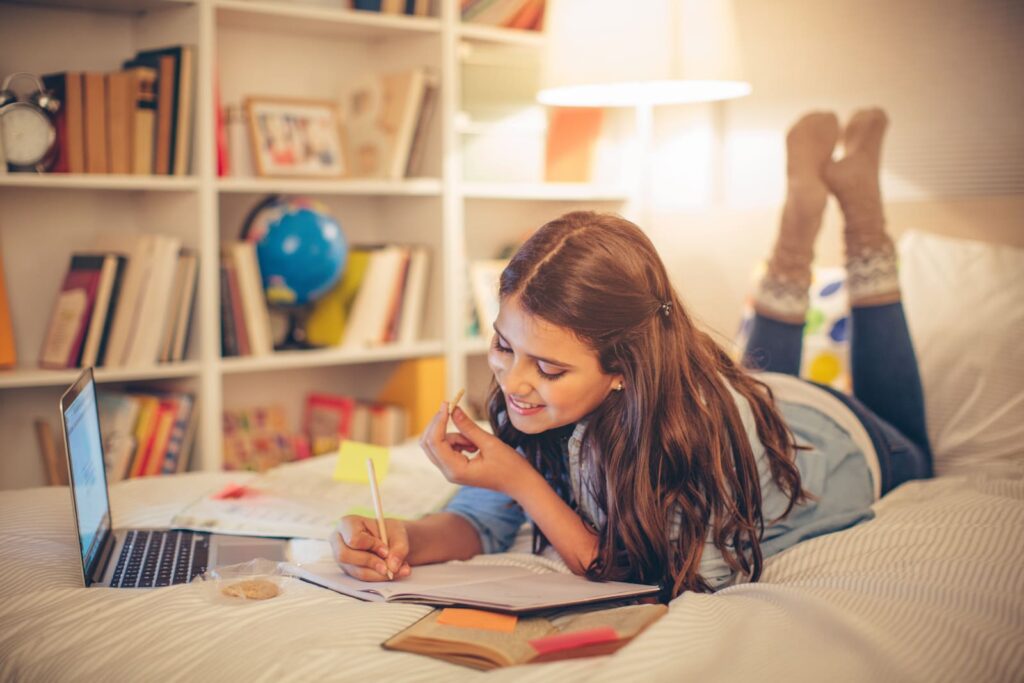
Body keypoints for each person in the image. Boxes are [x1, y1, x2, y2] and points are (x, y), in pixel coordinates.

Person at [330, 108, 933, 599]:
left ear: (623, 369)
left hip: (853, 440)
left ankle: (863, 225)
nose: (514, 382)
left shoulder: (690, 436)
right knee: (755, 377)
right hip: (761, 398)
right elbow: (483, 519)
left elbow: (656, 578)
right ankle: (796, 234)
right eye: (503, 345)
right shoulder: (542, 398)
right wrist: (399, 535)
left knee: (919, 448)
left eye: (548, 368)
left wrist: (522, 480)